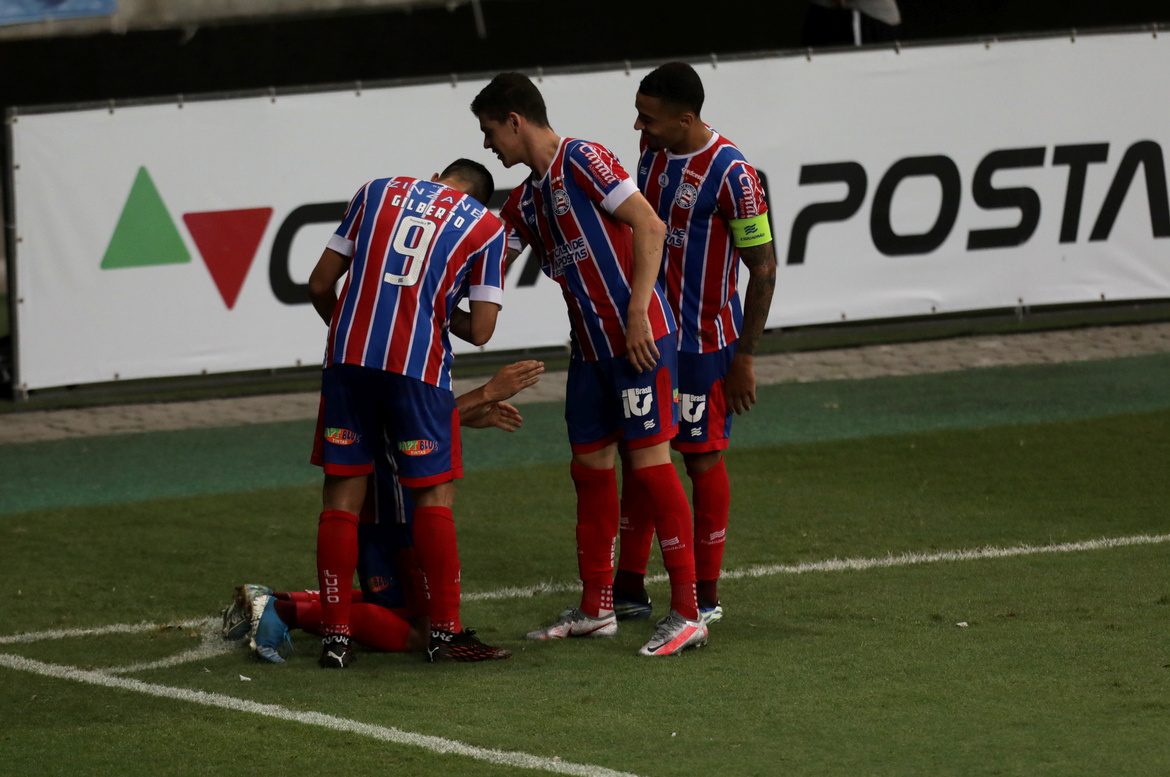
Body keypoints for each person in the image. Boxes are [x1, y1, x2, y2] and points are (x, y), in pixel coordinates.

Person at [470, 72, 708, 657]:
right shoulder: (524, 201)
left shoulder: (583, 158)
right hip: (589, 354)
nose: (487, 145)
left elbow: (650, 224)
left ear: (516, 121)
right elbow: (490, 265)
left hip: (637, 342)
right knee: (589, 471)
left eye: (489, 131)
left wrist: (637, 314)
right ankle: (597, 607)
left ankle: (688, 612)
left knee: (652, 468)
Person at [306, 158, 508, 668]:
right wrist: (433, 309)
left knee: (342, 499)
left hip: (347, 360)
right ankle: (445, 635)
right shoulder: (485, 225)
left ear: (438, 175)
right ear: (477, 197)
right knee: (433, 496)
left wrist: (352, 335)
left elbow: (316, 285)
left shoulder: (375, 189)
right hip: (417, 368)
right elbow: (482, 330)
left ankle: (335, 637)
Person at [221, 361, 544, 663]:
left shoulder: (367, 342)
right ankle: (283, 612)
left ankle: (286, 600)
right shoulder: (398, 343)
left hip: (386, 503)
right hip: (393, 510)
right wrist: (484, 394)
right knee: (421, 633)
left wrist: (465, 411)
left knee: (401, 607)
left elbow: (403, 418)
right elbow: (407, 425)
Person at [616, 62, 777, 625]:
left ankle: (705, 597)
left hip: (707, 347)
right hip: (651, 337)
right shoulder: (650, 157)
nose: (639, 128)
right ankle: (629, 587)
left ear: (687, 118)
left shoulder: (734, 173)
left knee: (702, 459)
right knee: (640, 453)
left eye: (649, 118)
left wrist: (746, 356)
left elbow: (763, 268)